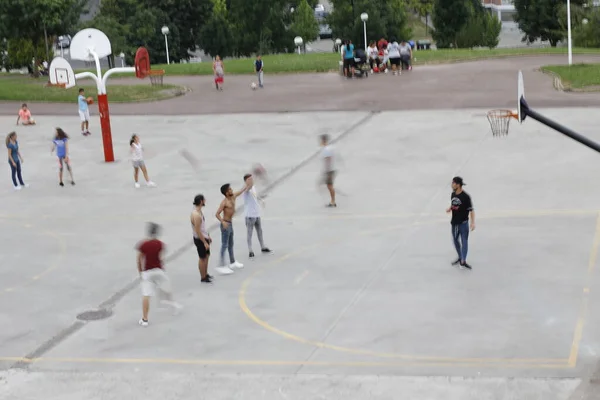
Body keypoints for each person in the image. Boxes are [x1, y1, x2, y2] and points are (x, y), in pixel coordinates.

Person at [136, 222, 182, 327]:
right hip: (159, 270)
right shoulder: (160, 244)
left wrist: (140, 272)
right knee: (167, 290)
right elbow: (161, 258)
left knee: (146, 295)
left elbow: (139, 259)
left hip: (147, 272)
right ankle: (174, 307)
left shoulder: (143, 244)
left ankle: (145, 319)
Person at [215, 182, 249, 274]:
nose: (232, 190)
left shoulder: (233, 196)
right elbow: (217, 214)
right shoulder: (224, 202)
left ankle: (232, 262)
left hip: (230, 224)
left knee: (231, 244)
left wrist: (247, 185)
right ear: (226, 193)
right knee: (224, 245)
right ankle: (221, 265)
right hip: (225, 224)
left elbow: (241, 191)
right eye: (230, 189)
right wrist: (222, 222)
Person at [446, 177, 476, 270]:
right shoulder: (453, 194)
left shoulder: (466, 197)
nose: (452, 185)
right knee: (455, 240)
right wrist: (450, 208)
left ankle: (463, 261)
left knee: (464, 241)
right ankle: (460, 256)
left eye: (453, 183)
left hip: (463, 223)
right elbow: (454, 204)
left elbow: (471, 210)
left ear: (458, 185)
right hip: (454, 223)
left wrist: (472, 222)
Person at [242, 173, 272, 258]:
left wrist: (261, 199)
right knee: (249, 233)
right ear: (246, 181)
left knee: (260, 231)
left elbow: (255, 196)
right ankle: (250, 250)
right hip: (250, 215)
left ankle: (262, 246)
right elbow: (248, 189)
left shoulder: (253, 188)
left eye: (252, 179)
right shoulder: (245, 189)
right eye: (249, 179)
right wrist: (250, 184)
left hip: (256, 214)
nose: (252, 180)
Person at [191, 194, 213, 283]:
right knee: (202, 258)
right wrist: (204, 242)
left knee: (207, 256)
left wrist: (208, 236)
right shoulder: (196, 215)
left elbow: (202, 228)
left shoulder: (199, 212)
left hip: (204, 237)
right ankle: (203, 277)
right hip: (200, 239)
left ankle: (206, 273)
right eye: (204, 200)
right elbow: (198, 231)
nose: (205, 201)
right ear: (201, 201)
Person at [320, 134, 336, 207]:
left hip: (330, 170)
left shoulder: (327, 149)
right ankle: (332, 201)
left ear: (324, 140)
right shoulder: (328, 148)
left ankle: (333, 202)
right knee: (329, 186)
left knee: (330, 186)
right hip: (330, 170)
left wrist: (327, 172)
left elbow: (328, 160)